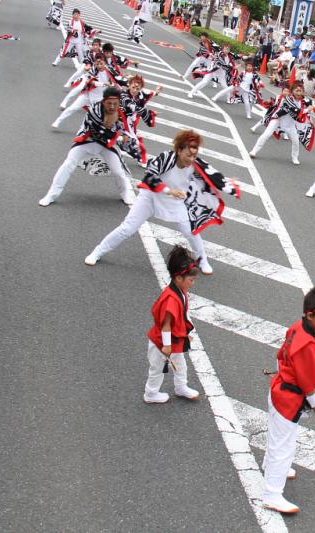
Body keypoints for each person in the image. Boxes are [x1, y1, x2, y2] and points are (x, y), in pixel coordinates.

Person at [84, 130, 240, 274]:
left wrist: (229, 185)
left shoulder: (195, 164)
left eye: (194, 156)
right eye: (188, 155)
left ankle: (203, 260)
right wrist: (168, 190)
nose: (191, 159)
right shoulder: (166, 158)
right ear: (179, 150)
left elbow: (213, 176)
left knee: (191, 232)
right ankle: (98, 251)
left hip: (175, 203)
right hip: (150, 197)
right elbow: (150, 175)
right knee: (127, 228)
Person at [262, 286, 315, 514]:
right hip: (289, 399)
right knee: (283, 446)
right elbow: (308, 382)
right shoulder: (308, 345)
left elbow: (281, 357)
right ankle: (272, 494)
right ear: (310, 315)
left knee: (278, 439)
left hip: (279, 390)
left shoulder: (297, 328)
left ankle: (271, 467)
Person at [39, 87, 137, 207]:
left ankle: (125, 192)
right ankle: (51, 194)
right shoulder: (95, 110)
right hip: (88, 139)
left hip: (107, 145)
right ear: (103, 101)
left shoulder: (122, 112)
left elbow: (130, 125)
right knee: (68, 164)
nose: (112, 106)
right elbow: (103, 132)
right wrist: (121, 137)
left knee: (118, 171)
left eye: (115, 103)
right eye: (109, 103)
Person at [143, 245, 202, 404]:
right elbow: (166, 325)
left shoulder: (179, 292)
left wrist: (183, 334)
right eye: (191, 280)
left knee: (180, 365)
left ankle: (181, 387)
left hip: (174, 341)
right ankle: (150, 393)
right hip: (161, 342)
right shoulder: (171, 299)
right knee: (157, 369)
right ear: (178, 278)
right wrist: (167, 345)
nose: (193, 283)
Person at [249, 81, 315, 165]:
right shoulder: (288, 99)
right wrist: (308, 109)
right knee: (266, 134)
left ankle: (295, 157)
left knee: (296, 141)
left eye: (300, 91)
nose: (298, 92)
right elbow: (295, 111)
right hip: (278, 120)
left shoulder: (305, 100)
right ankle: (254, 151)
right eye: (296, 90)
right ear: (292, 91)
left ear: (303, 92)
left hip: (291, 124)